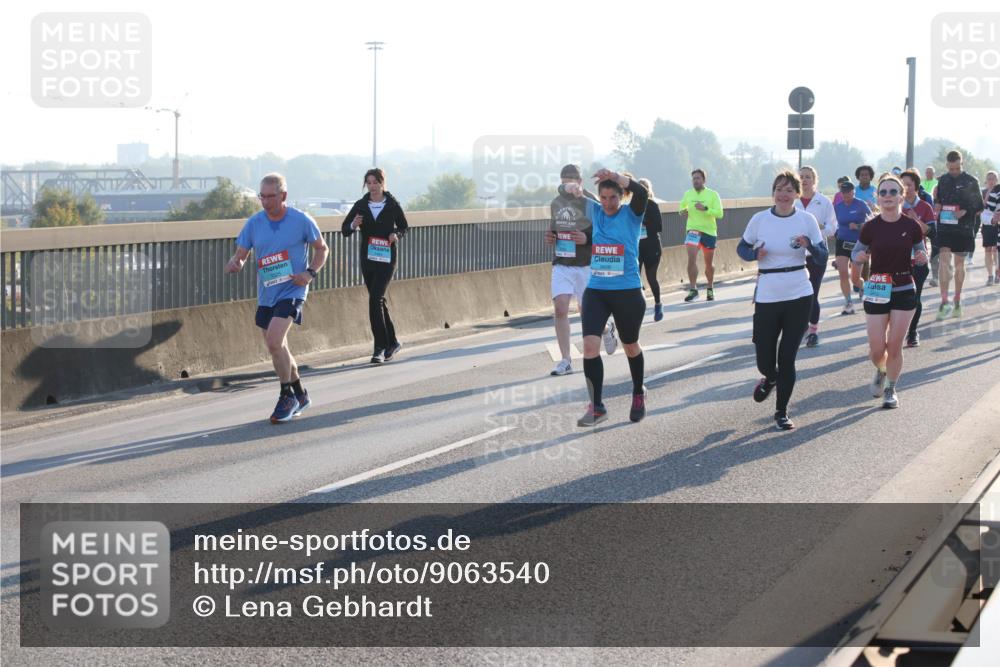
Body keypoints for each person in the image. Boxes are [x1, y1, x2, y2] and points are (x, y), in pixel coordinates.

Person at [226, 173, 328, 423]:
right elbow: (242, 252)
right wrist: (236, 262)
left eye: (271, 196)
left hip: (292, 290)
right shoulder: (254, 223)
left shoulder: (301, 220)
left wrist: (310, 272)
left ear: (283, 196)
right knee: (278, 347)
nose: (266, 201)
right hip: (267, 294)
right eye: (262, 196)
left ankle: (286, 397)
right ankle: (300, 393)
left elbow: (322, 249)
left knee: (274, 341)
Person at [737, 170, 828, 431]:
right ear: (773, 192)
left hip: (799, 292)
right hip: (768, 292)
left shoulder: (807, 219)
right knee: (765, 358)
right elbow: (741, 248)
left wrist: (809, 244)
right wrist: (754, 252)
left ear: (797, 194)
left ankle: (781, 412)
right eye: (779, 189)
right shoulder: (759, 219)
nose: (784, 194)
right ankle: (770, 377)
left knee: (787, 357)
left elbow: (822, 256)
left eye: (789, 190)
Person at [567, 169, 650, 426]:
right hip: (598, 291)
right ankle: (597, 406)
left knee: (630, 346)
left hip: (627, 291)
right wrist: (573, 189)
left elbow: (642, 192)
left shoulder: (632, 214)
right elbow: (572, 195)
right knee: (590, 348)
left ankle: (638, 392)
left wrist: (616, 175)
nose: (607, 203)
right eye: (603, 197)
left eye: (612, 197)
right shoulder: (596, 211)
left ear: (621, 196)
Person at [851, 174, 928, 409]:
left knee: (894, 346)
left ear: (901, 196)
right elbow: (856, 253)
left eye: (893, 192)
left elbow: (921, 253)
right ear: (877, 197)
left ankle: (891, 388)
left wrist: (922, 257)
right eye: (883, 192)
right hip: (877, 286)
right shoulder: (870, 227)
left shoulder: (911, 226)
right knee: (877, 349)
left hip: (904, 287)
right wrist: (860, 257)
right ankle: (881, 369)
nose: (887, 196)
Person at [545, 164, 617, 376]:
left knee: (588, 313)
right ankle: (565, 360)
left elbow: (605, 232)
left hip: (586, 265)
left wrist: (587, 238)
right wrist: (550, 236)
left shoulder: (591, 203)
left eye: (572, 180)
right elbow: (554, 228)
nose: (568, 184)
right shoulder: (556, 203)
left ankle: (607, 329)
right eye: (564, 181)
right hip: (562, 263)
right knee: (560, 308)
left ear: (580, 181)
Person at [342, 168, 409, 364]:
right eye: (369, 182)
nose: (372, 186)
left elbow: (404, 226)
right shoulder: (361, 205)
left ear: (382, 183)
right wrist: (354, 224)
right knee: (378, 301)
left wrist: (396, 234)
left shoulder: (392, 204)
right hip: (369, 260)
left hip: (387, 259)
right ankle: (393, 342)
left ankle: (379, 348)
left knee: (375, 300)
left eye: (375, 182)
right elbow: (345, 230)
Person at [934, 150, 984, 320]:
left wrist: (965, 210)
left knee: (959, 264)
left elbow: (979, 206)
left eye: (956, 168)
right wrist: (938, 205)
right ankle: (944, 301)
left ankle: (957, 299)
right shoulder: (943, 180)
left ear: (961, 164)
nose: (953, 171)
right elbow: (938, 199)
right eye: (951, 168)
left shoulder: (971, 181)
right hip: (945, 227)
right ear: (947, 165)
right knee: (944, 262)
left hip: (963, 228)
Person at [794, 166, 837, 347]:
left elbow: (833, 229)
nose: (804, 180)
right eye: (802, 177)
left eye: (808, 177)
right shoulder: (792, 201)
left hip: (816, 254)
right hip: (795, 256)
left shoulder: (823, 202)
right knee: (797, 296)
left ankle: (813, 331)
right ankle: (800, 325)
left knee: (812, 293)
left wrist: (818, 228)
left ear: (815, 180)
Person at [899, 170, 936, 347]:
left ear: (916, 186)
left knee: (915, 298)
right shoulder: (894, 206)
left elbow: (931, 232)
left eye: (909, 185)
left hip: (918, 260)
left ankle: (912, 332)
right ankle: (895, 333)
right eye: (903, 184)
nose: (905, 188)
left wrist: (915, 220)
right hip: (896, 260)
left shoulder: (924, 207)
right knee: (895, 299)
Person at [678, 169, 724, 302]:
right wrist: (683, 212)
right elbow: (681, 209)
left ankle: (710, 288)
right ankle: (693, 289)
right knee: (691, 259)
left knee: (708, 263)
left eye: (698, 178)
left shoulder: (713, 194)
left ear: (704, 180)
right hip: (692, 230)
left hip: (709, 232)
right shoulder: (688, 194)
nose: (695, 181)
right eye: (693, 179)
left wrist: (705, 209)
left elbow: (720, 214)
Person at [832, 180, 871, 314]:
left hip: (858, 243)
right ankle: (848, 302)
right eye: (843, 192)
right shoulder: (838, 206)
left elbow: (872, 222)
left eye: (848, 192)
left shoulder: (861, 204)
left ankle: (863, 287)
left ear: (853, 192)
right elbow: (833, 222)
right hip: (842, 241)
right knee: (843, 273)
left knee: (855, 279)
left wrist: (858, 226)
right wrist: (834, 232)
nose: (846, 195)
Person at [637, 177, 665, 321]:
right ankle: (637, 308)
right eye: (638, 186)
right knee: (635, 277)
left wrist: (643, 222)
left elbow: (659, 227)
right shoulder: (632, 206)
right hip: (637, 247)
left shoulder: (652, 205)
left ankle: (658, 304)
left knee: (651, 277)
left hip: (652, 246)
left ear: (648, 190)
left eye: (643, 187)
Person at [981, 171, 999, 285]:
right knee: (988, 250)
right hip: (987, 224)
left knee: (996, 250)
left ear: (997, 180)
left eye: (993, 179)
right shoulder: (982, 192)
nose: (991, 181)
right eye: (989, 179)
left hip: (998, 224)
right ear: (986, 181)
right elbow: (980, 209)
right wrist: (987, 196)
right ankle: (990, 275)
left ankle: (998, 273)